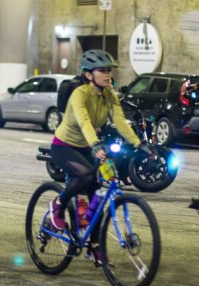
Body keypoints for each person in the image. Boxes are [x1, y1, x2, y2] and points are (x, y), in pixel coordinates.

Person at [49, 49, 151, 265]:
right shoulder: (80, 94)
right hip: (64, 146)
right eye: (103, 71)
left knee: (98, 193)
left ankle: (95, 248)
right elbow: (84, 121)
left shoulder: (109, 95)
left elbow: (121, 121)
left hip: (88, 146)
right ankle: (59, 203)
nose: (108, 75)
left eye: (110, 70)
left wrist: (139, 143)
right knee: (85, 175)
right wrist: (95, 143)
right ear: (88, 74)